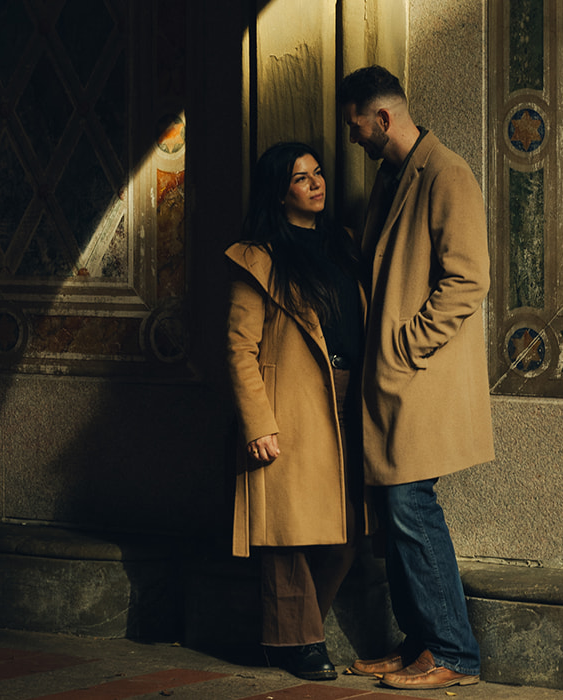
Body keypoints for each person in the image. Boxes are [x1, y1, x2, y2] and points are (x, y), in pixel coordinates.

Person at [335, 65, 495, 690]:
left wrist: (406, 343)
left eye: (356, 127)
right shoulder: (390, 175)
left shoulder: (447, 173)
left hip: (417, 375)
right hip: (392, 378)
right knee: (395, 505)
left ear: (383, 118)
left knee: (410, 503)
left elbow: (468, 280)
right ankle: (420, 645)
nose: (352, 140)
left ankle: (454, 654)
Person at [224, 142, 366, 681]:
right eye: (301, 177)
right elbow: (239, 348)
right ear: (279, 191)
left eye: (318, 173)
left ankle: (293, 634)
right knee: (286, 532)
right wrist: (257, 422)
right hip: (290, 407)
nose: (316, 183)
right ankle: (300, 642)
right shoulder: (257, 257)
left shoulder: (343, 244)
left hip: (349, 398)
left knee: (347, 532)